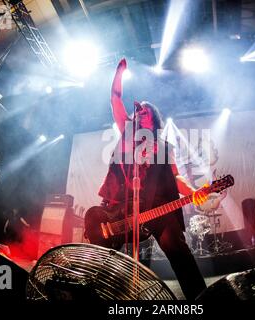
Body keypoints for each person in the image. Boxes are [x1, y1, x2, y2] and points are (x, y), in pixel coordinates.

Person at [96, 58, 207, 300]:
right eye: (138, 110)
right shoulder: (127, 131)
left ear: (153, 117)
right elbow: (115, 99)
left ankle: (200, 299)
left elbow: (176, 176)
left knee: (177, 249)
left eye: (144, 109)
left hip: (158, 207)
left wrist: (193, 192)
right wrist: (119, 73)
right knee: (117, 259)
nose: (139, 111)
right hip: (125, 206)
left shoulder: (163, 147)